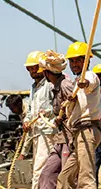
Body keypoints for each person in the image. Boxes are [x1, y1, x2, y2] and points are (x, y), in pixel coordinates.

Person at [57, 42, 101, 189]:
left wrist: (85, 83)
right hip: (80, 133)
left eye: (78, 60)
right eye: (72, 61)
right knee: (65, 177)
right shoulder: (76, 83)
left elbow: (90, 83)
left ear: (86, 61)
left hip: (87, 130)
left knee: (85, 178)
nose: (74, 64)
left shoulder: (88, 75)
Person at [39, 50, 75, 189]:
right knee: (47, 174)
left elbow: (76, 106)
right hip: (60, 139)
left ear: (47, 73)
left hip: (69, 138)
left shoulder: (65, 85)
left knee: (68, 178)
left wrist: (64, 116)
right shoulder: (55, 87)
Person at [21, 51, 56, 189]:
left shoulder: (49, 84)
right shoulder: (33, 88)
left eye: (35, 67)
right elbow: (30, 109)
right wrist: (27, 121)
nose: (32, 71)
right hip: (37, 133)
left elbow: (57, 106)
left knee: (39, 169)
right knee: (40, 167)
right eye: (30, 68)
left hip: (47, 132)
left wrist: (46, 112)